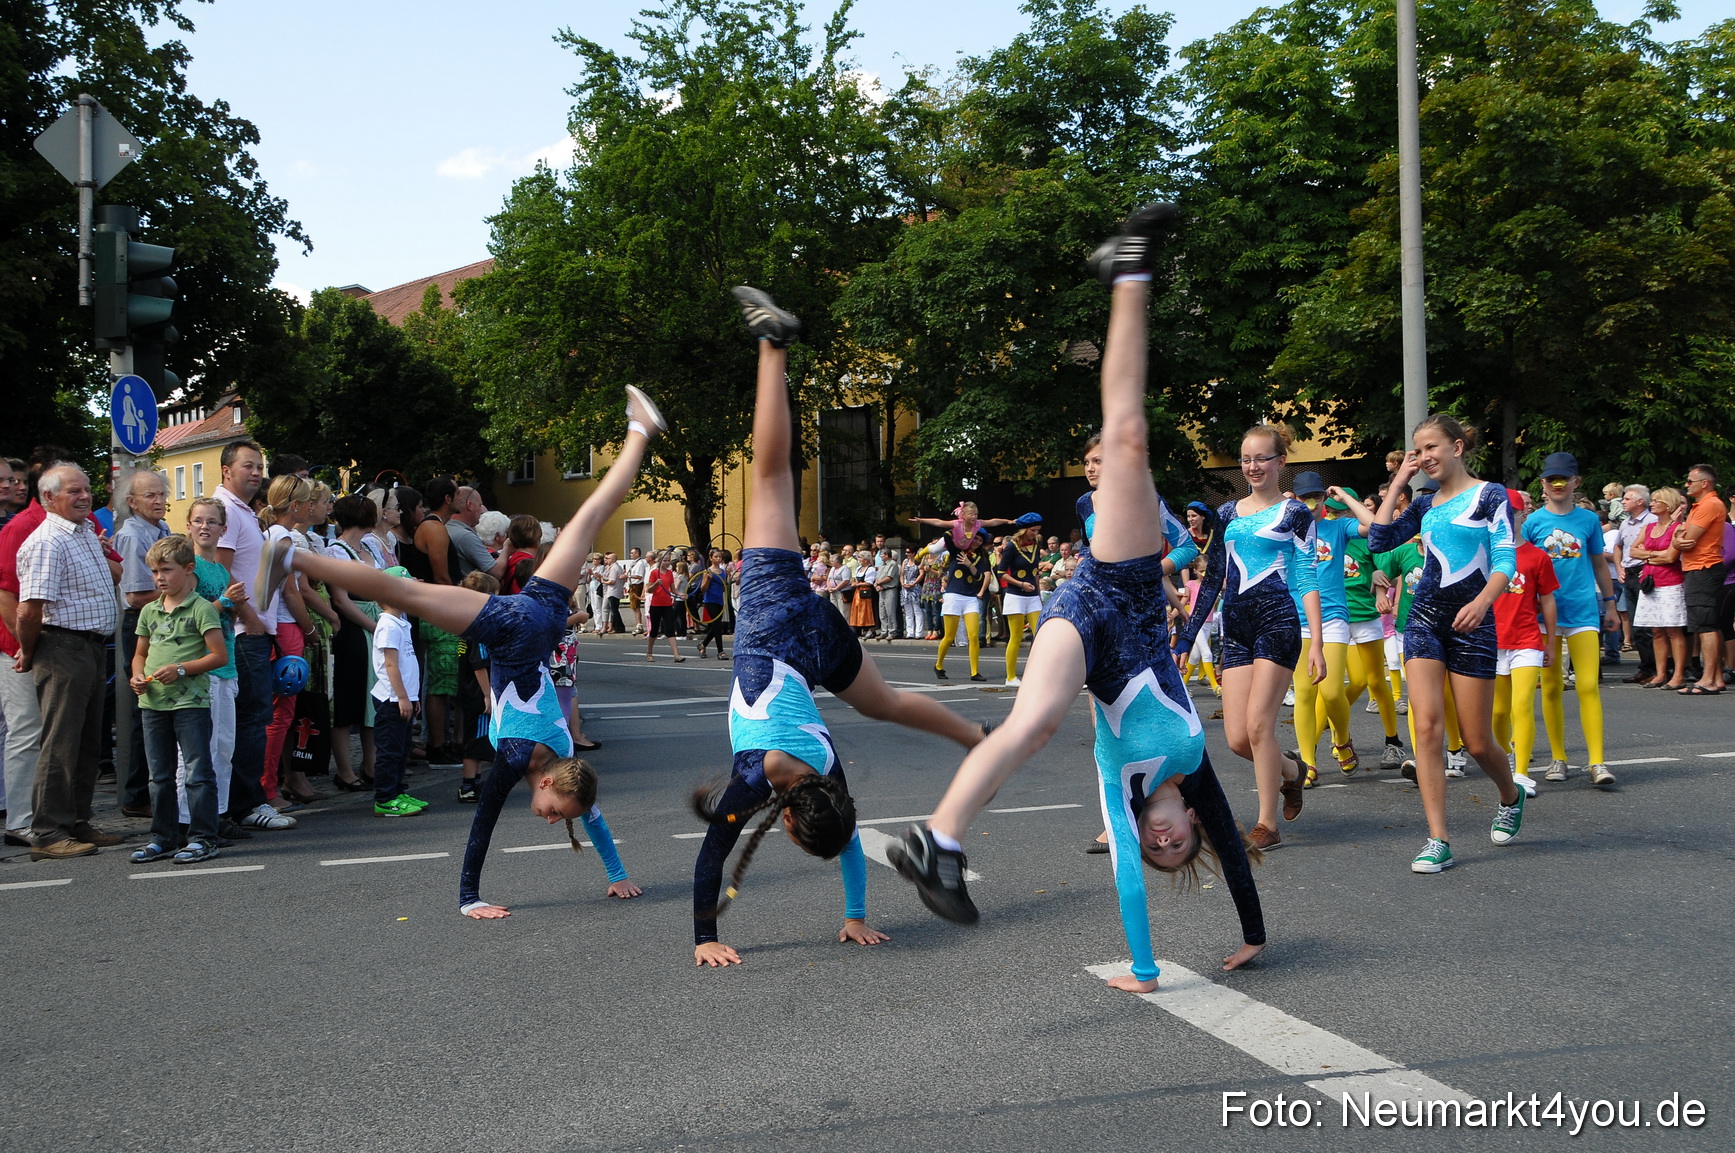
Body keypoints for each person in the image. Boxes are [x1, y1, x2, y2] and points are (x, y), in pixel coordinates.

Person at [888, 208, 1267, 991]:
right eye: (1172, 842)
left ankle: (937, 844)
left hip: (1084, 629)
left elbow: (1128, 880)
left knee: (1032, 722)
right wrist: (1255, 935)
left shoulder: (1118, 789)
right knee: (1126, 435)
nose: (1158, 839)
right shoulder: (1192, 769)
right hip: (1121, 589)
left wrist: (1142, 968)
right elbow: (1232, 849)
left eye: (1154, 844)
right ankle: (1128, 270)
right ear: (1188, 820)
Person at [691, 287, 991, 968]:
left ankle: (975, 737)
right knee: (770, 477)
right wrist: (704, 935)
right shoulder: (755, 779)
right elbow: (715, 851)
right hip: (775, 622)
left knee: (882, 703)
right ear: (791, 817)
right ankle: (773, 340)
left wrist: (856, 914)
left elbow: (848, 836)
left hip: (814, 637)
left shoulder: (827, 779)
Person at [282, 386, 665, 915]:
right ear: (548, 783)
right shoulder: (516, 758)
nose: (552, 819)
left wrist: (618, 874)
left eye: (556, 819)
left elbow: (591, 816)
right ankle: (289, 555)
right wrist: (469, 900)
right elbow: (482, 825)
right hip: (515, 628)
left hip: (546, 614)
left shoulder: (569, 765)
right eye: (556, 812)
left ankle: (639, 430)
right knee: (399, 590)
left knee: (592, 513)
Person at [1348, 416, 1527, 873]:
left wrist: (1486, 602)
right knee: (1425, 728)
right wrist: (1399, 480)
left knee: (1477, 740)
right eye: (1418, 450)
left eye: (1432, 448)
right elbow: (1381, 537)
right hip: (1424, 618)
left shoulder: (1489, 496)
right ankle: (1437, 838)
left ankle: (1510, 795)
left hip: (1473, 621)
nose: (1425, 456)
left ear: (1458, 447)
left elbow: (1505, 555)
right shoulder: (1424, 502)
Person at [1178, 424, 1319, 852]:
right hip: (1236, 627)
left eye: (1261, 458)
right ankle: (1292, 773)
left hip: (1277, 623)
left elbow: (1306, 574)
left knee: (1260, 728)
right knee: (1239, 738)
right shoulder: (1226, 514)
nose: (1253, 466)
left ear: (1281, 462)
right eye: (1246, 459)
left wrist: (1317, 643)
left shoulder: (1296, 514)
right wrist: (1187, 637)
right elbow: (1217, 575)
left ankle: (1266, 825)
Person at [15, 465, 123, 859]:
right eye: (73, 491)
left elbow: (113, 576)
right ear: (48, 498)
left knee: (87, 741)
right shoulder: (47, 541)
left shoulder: (82, 534)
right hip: (62, 647)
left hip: (90, 647)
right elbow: (29, 610)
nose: (84, 496)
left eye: (86, 489)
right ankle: (47, 832)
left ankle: (77, 820)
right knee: (60, 743)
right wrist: (29, 651)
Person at [125, 535, 229, 864]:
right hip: (153, 702)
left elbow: (219, 656)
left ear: (187, 569)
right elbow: (140, 654)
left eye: (166, 570)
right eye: (154, 571)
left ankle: (203, 837)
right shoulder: (149, 611)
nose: (159, 578)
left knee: (198, 772)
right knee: (159, 775)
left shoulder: (200, 609)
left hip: (190, 704)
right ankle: (163, 836)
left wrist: (181, 669)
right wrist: (137, 676)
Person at [215, 441, 296, 832]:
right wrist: (250, 615)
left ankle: (244, 800)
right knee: (252, 719)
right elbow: (218, 570)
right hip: (244, 631)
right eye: (248, 465)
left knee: (253, 717)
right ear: (226, 471)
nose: (256, 472)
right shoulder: (226, 511)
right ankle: (248, 803)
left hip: (255, 627)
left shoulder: (243, 511)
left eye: (259, 466)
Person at [1524, 454, 1617, 788]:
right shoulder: (1532, 522)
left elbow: (1598, 564)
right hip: (1542, 617)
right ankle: (1558, 757)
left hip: (1582, 611)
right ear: (1543, 484)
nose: (1557, 484)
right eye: (1551, 479)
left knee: (1588, 685)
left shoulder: (1589, 520)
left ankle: (1596, 761)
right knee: (1550, 687)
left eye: (1564, 479)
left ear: (1577, 482)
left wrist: (1610, 604)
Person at [175, 498, 243, 829]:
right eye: (199, 520)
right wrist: (223, 602)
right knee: (198, 749)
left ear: (223, 529)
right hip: (202, 667)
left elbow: (224, 615)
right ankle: (187, 818)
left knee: (224, 747)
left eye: (212, 522)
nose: (205, 526)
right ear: (188, 526)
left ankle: (220, 811)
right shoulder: (189, 569)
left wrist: (235, 605)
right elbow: (188, 618)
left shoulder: (220, 569)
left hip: (226, 664)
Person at [1287, 471, 1359, 783]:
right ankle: (1307, 762)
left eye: (1315, 495)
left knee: (1330, 692)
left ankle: (1342, 740)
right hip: (1297, 619)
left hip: (1333, 619)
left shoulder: (1338, 526)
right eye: (1303, 496)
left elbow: (1375, 527)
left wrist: (1347, 500)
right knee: (1304, 692)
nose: (1310, 502)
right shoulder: (1284, 533)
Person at [1491, 490, 1558, 797]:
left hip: (1527, 639)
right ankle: (1504, 760)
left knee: (1521, 705)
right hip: (1492, 641)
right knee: (1498, 712)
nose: (1505, 520)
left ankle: (1520, 772)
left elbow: (1547, 600)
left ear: (1522, 517)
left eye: (1511, 514)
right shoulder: (1485, 552)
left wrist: (1551, 643)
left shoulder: (1537, 556)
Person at [112, 469, 171, 817]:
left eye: (162, 493)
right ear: (131, 502)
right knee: (144, 711)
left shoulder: (159, 529)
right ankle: (138, 795)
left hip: (159, 618)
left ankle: (149, 790)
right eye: (150, 495)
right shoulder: (133, 535)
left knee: (156, 709)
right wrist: (181, 592)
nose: (160, 500)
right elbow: (135, 596)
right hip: (143, 621)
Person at [326, 495, 381, 790]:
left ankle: (371, 765)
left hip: (375, 621)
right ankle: (345, 771)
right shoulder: (336, 552)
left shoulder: (369, 546)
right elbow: (340, 599)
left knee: (374, 697)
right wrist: (373, 625)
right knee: (348, 700)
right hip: (353, 628)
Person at [1631, 487, 1690, 689]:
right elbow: (1632, 551)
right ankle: (1660, 673)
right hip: (1650, 583)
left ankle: (1679, 674)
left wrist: (1646, 555)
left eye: (1657, 500)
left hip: (1670, 583)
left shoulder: (1678, 527)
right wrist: (1655, 555)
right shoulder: (1648, 527)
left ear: (1668, 504)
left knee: (1673, 630)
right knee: (1656, 630)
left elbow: (1671, 557)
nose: (1652, 503)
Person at [1674, 464, 1726, 695]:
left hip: (1704, 568)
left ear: (1705, 483)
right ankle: (1714, 678)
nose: (1686, 485)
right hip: (1698, 568)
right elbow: (1680, 538)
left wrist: (1678, 537)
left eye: (1690, 481)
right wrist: (1678, 537)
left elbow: (1688, 538)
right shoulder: (1701, 506)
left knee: (1706, 626)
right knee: (1704, 625)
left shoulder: (1710, 504)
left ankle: (1708, 680)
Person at [455, 572, 498, 803]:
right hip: (478, 692)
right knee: (477, 738)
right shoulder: (480, 626)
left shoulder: (465, 620)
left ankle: (476, 781)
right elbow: (479, 663)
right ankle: (468, 785)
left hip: (467, 689)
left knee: (475, 735)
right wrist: (488, 695)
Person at [931, 534, 989, 681]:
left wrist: (969, 564)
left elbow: (979, 577)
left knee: (974, 636)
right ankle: (938, 665)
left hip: (970, 597)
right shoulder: (957, 551)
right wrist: (961, 527)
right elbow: (947, 537)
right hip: (953, 596)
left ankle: (975, 672)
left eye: (980, 540)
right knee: (949, 637)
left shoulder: (981, 558)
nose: (977, 542)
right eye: (975, 538)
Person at [1616, 485, 1658, 684]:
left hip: (1646, 574)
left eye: (1627, 498)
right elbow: (1618, 546)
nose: (1623, 501)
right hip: (1629, 574)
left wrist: (1648, 565)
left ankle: (1657, 668)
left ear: (1640, 501)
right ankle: (1646, 668)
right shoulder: (1625, 523)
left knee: (1648, 625)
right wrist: (1619, 567)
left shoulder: (1652, 521)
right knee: (1634, 624)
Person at [999, 515, 1046, 686]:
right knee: (1016, 637)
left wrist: (1038, 596)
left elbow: (1035, 573)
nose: (1035, 533)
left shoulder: (1036, 546)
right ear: (1024, 529)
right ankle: (1010, 677)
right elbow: (1001, 572)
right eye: (1033, 530)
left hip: (1032, 596)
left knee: (1041, 635)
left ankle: (1042, 673)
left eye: (1037, 531)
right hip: (1015, 595)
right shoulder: (1011, 547)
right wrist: (1020, 584)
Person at [643, 551, 685, 662]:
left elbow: (673, 589)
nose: (667, 563)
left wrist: (680, 594)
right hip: (656, 604)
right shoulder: (654, 573)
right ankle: (649, 653)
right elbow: (648, 589)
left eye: (668, 560)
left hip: (667, 604)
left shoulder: (670, 573)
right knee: (654, 630)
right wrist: (656, 583)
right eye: (665, 560)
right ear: (659, 561)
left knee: (670, 629)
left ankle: (676, 655)